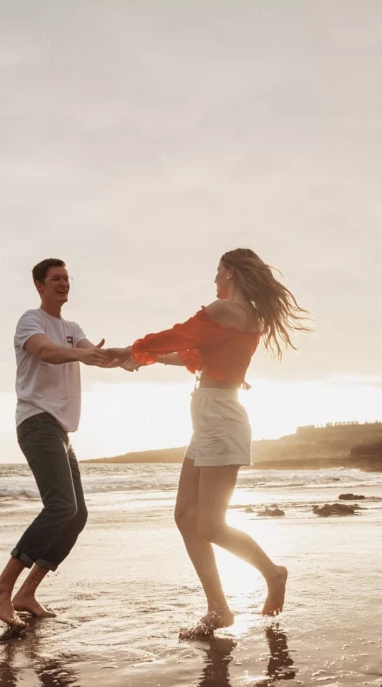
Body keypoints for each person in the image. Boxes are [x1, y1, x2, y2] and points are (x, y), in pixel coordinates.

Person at [117, 248, 310, 636]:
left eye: (218, 272)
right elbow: (193, 354)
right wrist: (143, 359)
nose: (214, 280)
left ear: (232, 274)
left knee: (210, 525)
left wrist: (133, 349)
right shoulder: (237, 318)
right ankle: (218, 609)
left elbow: (180, 334)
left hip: (221, 420)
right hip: (209, 420)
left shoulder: (225, 311)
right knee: (185, 517)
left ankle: (273, 573)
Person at [0, 258, 130, 628]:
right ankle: (0, 589)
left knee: (76, 514)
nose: (64, 283)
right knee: (61, 505)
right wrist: (84, 354)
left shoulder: (72, 327)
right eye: (56, 279)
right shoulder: (30, 321)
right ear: (39, 285)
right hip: (36, 422)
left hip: (60, 430)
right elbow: (45, 351)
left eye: (67, 278)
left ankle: (26, 592)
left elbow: (93, 354)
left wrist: (131, 356)